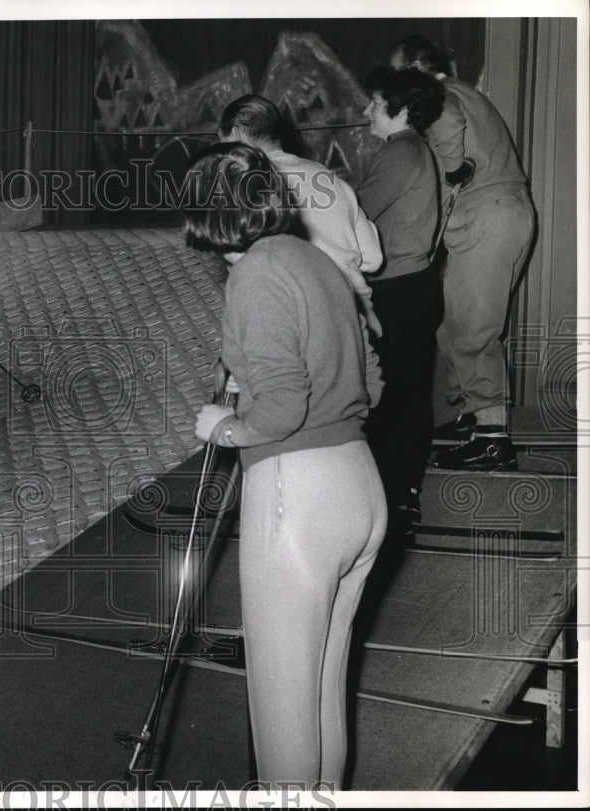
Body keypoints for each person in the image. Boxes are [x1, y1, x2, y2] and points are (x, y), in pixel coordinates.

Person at [187, 142, 387, 789]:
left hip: (297, 498)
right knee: (325, 689)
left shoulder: (255, 273)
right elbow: (373, 381)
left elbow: (281, 404)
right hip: (359, 481)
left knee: (282, 716)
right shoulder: (319, 261)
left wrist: (224, 426)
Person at [390, 35, 535, 470]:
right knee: (456, 325)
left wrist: (453, 168)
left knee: (472, 330)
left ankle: (492, 439)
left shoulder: (439, 94)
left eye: (398, 73)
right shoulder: (467, 90)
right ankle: (474, 420)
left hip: (486, 213)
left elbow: (448, 124)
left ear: (416, 67)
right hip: (504, 211)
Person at [357, 66, 444, 530]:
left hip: (395, 292)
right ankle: (402, 494)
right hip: (417, 286)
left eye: (373, 102)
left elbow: (355, 217)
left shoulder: (399, 152)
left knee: (389, 400)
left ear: (402, 108)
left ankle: (387, 500)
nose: (365, 110)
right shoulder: (417, 149)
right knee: (408, 397)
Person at [218, 94, 384, 337]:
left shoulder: (241, 185)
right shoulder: (329, 177)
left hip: (288, 324)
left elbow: (238, 259)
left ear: (236, 134)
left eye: (220, 141)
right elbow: (373, 259)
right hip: (352, 320)